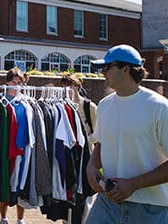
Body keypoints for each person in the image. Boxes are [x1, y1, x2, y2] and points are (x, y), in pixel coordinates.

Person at [85, 44, 168, 224]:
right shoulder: (104, 105)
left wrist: (133, 184)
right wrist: (91, 166)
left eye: (106, 67)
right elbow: (101, 143)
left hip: (150, 209)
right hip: (107, 203)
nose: (102, 72)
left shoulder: (159, 107)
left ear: (126, 69)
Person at [60, 73, 98, 223]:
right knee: (68, 194)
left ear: (77, 86)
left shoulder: (89, 107)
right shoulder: (60, 107)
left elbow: (99, 133)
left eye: (70, 86)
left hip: (87, 157)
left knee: (86, 198)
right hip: (68, 156)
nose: (67, 90)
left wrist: (82, 141)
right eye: (63, 87)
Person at [0, 67, 26, 224]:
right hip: (3, 147)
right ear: (7, 82)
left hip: (20, 149)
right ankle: (3, 217)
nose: (16, 85)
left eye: (19, 82)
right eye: (13, 82)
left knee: (19, 182)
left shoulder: (25, 103)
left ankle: (20, 219)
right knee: (4, 182)